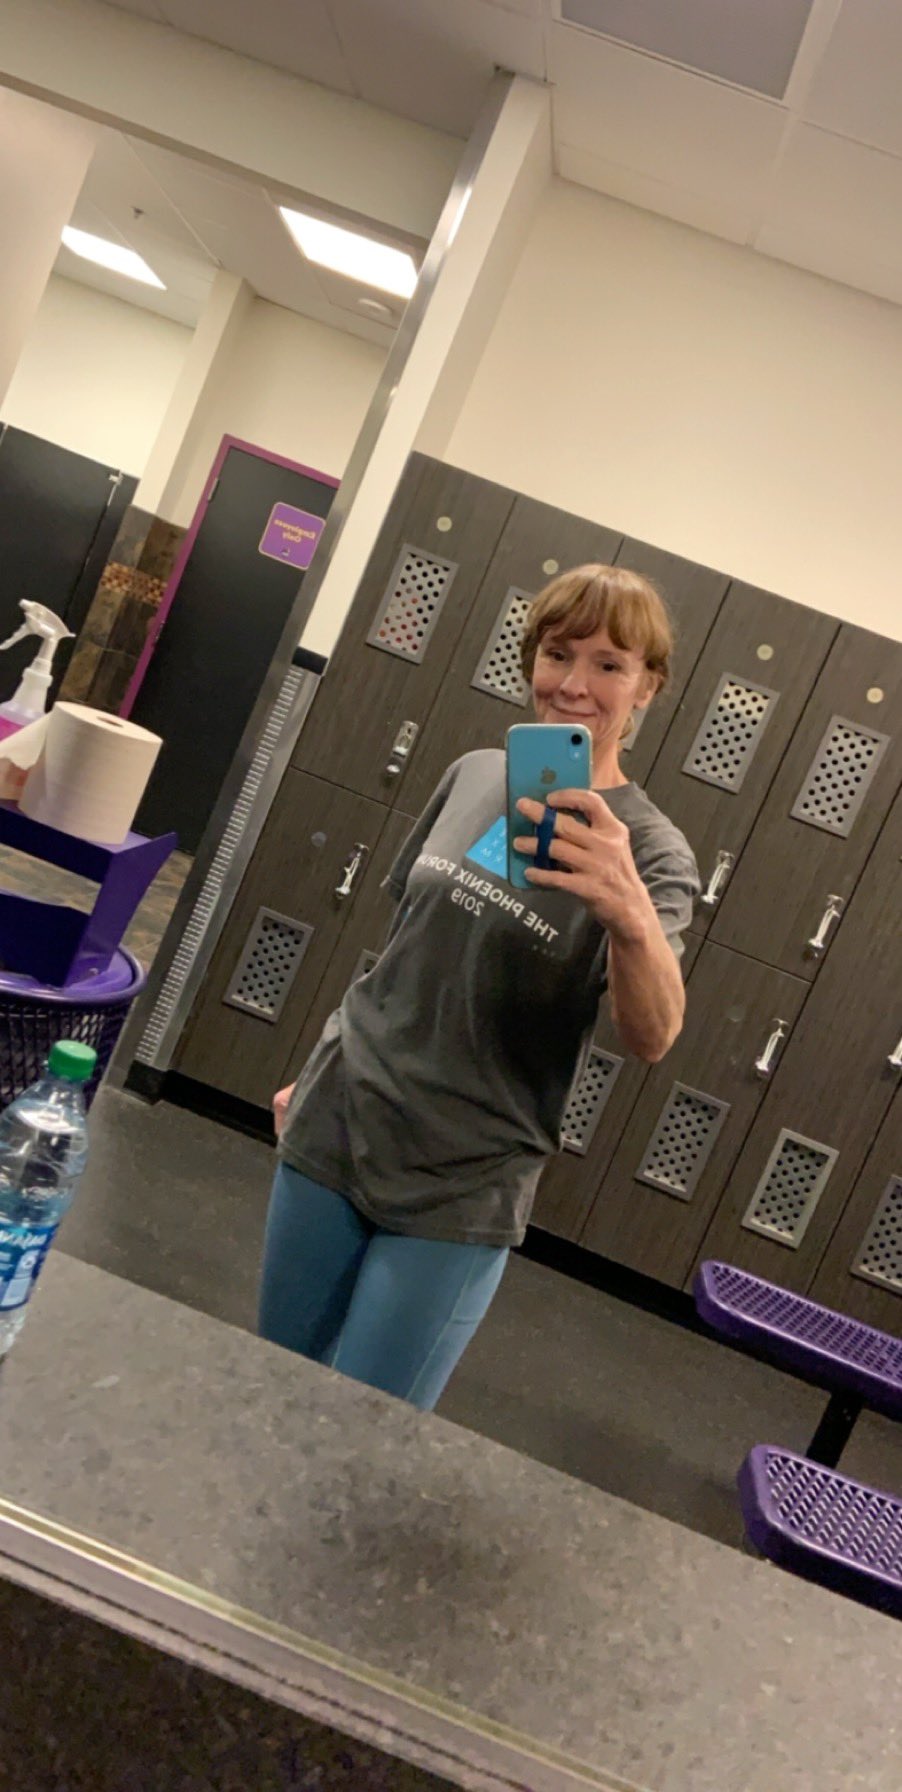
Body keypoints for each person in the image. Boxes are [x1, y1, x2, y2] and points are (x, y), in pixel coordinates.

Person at [260, 564, 700, 1410]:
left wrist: (628, 912)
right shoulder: (472, 773)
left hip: (462, 1176)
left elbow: (652, 1036)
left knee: (364, 1432)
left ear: (648, 686)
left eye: (609, 664)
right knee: (267, 1383)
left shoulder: (648, 849)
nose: (573, 684)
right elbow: (402, 944)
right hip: (340, 1114)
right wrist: (321, 1061)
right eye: (558, 653)